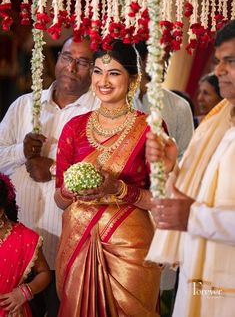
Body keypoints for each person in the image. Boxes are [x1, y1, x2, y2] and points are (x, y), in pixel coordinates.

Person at [54, 40, 161, 316]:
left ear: (132, 79)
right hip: (78, 241)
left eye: (113, 72)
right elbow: (59, 199)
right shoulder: (74, 128)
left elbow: (161, 201)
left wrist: (120, 189)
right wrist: (72, 189)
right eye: (98, 71)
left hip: (130, 249)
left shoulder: (150, 128)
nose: (103, 81)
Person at [0, 36, 100, 316]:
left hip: (66, 248)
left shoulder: (99, 113)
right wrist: (22, 152)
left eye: (82, 62)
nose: (72, 67)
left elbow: (102, 172)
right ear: (57, 61)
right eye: (67, 58)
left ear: (94, 70)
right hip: (17, 247)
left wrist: (53, 168)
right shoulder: (23, 105)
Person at [146, 19, 235, 317]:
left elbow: (192, 211)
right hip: (198, 277)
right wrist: (173, 168)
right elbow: (198, 194)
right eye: (217, 61)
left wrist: (194, 217)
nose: (218, 71)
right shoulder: (218, 122)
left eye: (230, 61)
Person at [0, 172, 51, 317]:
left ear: (2, 210)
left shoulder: (25, 238)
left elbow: (44, 273)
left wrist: (25, 292)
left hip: (11, 311)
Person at [134, 41, 194, 160]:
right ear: (140, 60)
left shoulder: (180, 106)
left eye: (168, 58)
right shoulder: (116, 98)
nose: (165, 65)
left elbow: (186, 156)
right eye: (159, 57)